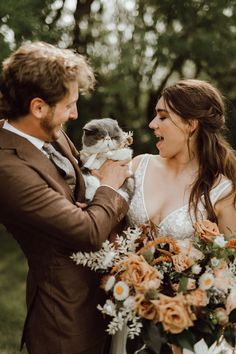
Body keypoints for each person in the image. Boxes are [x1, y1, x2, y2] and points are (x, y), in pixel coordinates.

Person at [0, 42, 131, 354]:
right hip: (65, 323)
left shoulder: (51, 132)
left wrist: (93, 196)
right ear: (38, 107)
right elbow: (87, 231)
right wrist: (110, 187)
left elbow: (82, 187)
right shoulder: (7, 168)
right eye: (69, 105)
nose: (75, 114)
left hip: (107, 302)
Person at [110, 79, 236, 354]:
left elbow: (229, 267)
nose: (153, 124)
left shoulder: (222, 189)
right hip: (128, 314)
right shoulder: (137, 166)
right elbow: (108, 229)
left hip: (184, 329)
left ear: (191, 125)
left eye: (163, 117)